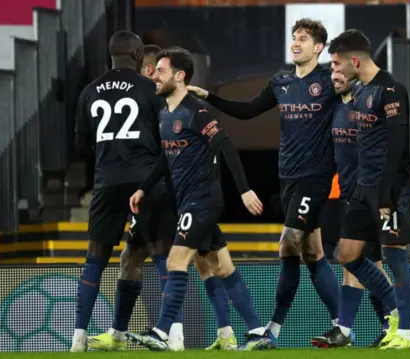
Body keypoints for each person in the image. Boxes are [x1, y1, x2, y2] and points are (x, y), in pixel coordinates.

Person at [187, 18, 340, 345]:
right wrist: (209, 96)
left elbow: (357, 96)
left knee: (287, 242)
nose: (296, 42)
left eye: (304, 38)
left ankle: (271, 329)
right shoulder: (280, 83)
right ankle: (343, 325)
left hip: (316, 177)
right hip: (288, 177)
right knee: (312, 252)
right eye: (294, 37)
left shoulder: (329, 80)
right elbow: (246, 111)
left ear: (319, 47)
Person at [125, 46, 275, 351]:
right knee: (220, 267)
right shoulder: (166, 113)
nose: (155, 75)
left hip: (203, 199)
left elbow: (226, 147)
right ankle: (258, 332)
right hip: (188, 200)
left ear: (180, 76)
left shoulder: (197, 111)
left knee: (176, 260)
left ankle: (162, 332)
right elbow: (167, 158)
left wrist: (245, 189)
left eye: (162, 71)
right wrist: (143, 187)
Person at [71, 31, 184, 352]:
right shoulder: (151, 89)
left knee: (95, 259)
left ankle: (79, 338)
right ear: (138, 56)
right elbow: (168, 139)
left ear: (111, 56)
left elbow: (81, 146)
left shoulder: (89, 92)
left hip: (106, 183)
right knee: (163, 255)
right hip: (145, 183)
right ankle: (173, 333)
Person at [323, 29, 410, 350]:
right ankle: (394, 308)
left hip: (390, 188)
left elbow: (399, 145)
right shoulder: (361, 92)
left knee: (394, 257)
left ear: (354, 60)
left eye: (336, 63)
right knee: (347, 254)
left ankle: (404, 332)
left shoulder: (392, 90)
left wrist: (388, 195)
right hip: (364, 189)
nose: (334, 69)